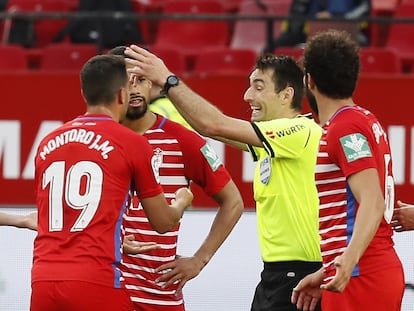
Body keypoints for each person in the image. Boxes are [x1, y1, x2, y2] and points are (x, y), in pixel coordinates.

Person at [125, 46, 323, 311]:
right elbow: (208, 127)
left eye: (259, 86)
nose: (247, 95)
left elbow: (213, 124)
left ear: (286, 95)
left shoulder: (298, 131)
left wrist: (168, 80)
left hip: (301, 275)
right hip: (278, 275)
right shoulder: (273, 143)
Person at [30, 54, 193, 311]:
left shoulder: (47, 142)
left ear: (84, 93)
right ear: (121, 95)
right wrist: (181, 201)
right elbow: (163, 223)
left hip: (42, 280)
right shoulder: (132, 142)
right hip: (95, 280)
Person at [107, 46, 244, 310]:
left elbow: (233, 202)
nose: (135, 88)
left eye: (141, 80)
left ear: (153, 85)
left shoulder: (181, 139)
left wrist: (199, 260)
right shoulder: (99, 138)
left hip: (159, 296)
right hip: (107, 291)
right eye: (127, 81)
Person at [291, 30, 404, 311]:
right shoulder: (362, 118)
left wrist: (348, 260)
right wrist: (328, 269)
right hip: (360, 271)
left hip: (361, 275)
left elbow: (372, 201)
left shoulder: (345, 127)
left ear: (310, 81)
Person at [263, 0, 371, 53]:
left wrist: (337, 18)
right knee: (273, 48)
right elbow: (298, 10)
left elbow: (364, 8)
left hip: (347, 30)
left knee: (362, 45)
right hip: (310, 29)